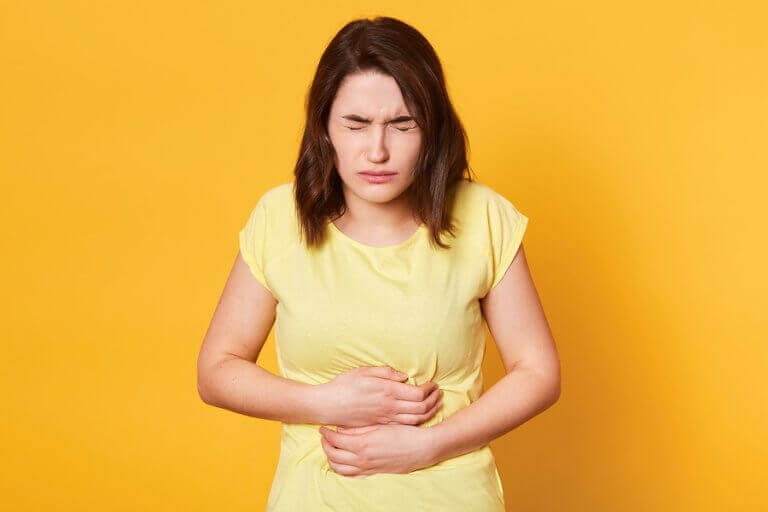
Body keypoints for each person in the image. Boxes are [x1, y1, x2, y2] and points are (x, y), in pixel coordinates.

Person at [197, 16, 560, 511]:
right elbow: (216, 370)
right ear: (324, 127)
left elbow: (538, 372)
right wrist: (325, 402)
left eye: (402, 124)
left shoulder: (484, 218)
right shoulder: (278, 218)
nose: (378, 150)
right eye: (356, 123)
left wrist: (430, 445)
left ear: (431, 129)